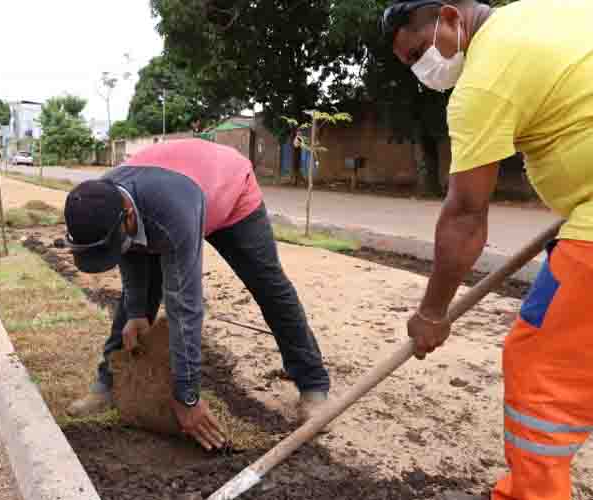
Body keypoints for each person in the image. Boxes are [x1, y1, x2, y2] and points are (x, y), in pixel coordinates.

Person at [381, 1, 593, 499]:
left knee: (540, 370)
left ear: (450, 17)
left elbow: (465, 215)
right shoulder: (550, 12)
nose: (421, 70)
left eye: (418, 52)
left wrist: (432, 314)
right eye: (410, 64)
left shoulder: (483, 83)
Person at [62, 138, 331, 450]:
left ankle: (313, 384)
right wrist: (136, 311)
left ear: (128, 216)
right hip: (171, 196)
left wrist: (187, 396)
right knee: (133, 306)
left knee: (269, 286)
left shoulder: (170, 212)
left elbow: (185, 307)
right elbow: (128, 252)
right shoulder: (101, 200)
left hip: (229, 193)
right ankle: (107, 384)